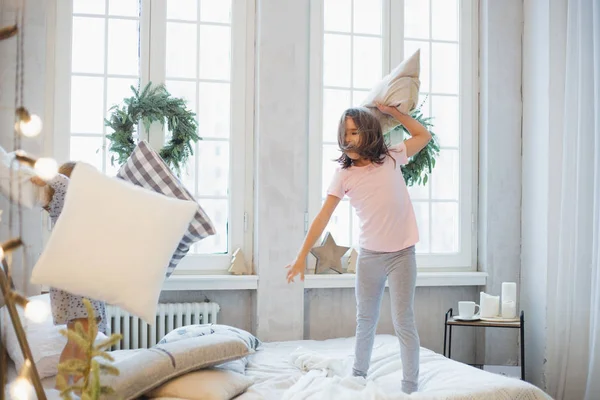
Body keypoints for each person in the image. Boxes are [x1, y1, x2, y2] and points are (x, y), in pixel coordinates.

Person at [285, 102, 432, 394]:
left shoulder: (391, 157)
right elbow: (322, 217)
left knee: (404, 320)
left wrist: (396, 114)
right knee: (366, 319)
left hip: (402, 254)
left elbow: (422, 136)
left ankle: (410, 386)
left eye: (354, 132)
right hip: (369, 258)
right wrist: (301, 257)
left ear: (368, 133)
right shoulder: (344, 175)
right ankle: (358, 374)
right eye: (345, 133)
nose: (348, 139)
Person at [31, 162, 106, 387]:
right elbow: (63, 184)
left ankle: (64, 388)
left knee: (80, 338)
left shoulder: (79, 210)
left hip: (79, 279)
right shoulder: (67, 203)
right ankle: (78, 387)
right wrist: (44, 175)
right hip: (78, 281)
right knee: (84, 339)